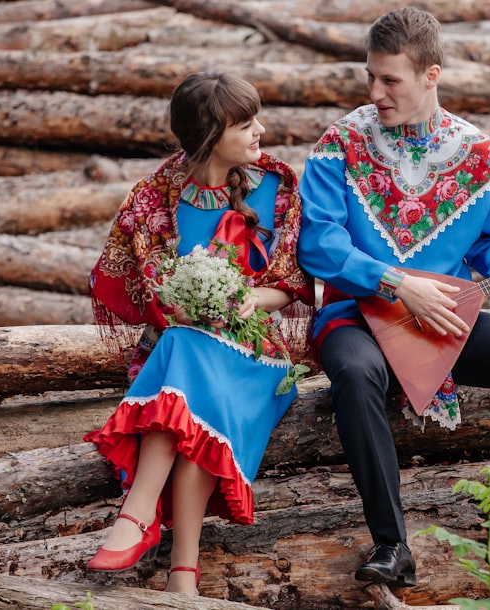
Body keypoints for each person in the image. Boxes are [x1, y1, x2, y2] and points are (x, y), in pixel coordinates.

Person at [296, 7, 490, 606]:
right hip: (356, 317)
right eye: (370, 76)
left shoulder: (479, 155)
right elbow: (318, 242)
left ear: (431, 75)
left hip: (440, 323)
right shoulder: (340, 143)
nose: (375, 92)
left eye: (390, 80)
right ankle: (392, 546)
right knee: (358, 370)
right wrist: (394, 282)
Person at [84, 70, 314, 596]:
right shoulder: (153, 198)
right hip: (179, 350)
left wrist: (242, 300)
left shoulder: (278, 186)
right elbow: (118, 282)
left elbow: (292, 283)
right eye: (246, 124)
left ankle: (136, 516)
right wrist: (177, 301)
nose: (261, 131)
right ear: (211, 137)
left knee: (185, 357)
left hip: (257, 355)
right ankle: (182, 575)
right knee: (186, 358)